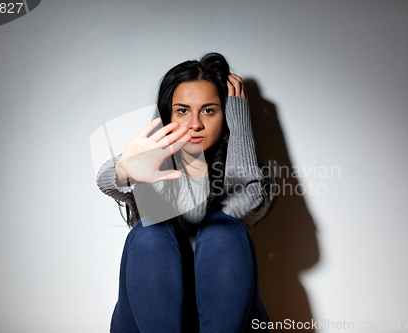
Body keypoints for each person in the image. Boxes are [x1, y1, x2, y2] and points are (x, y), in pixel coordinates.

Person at [96, 52, 275, 333]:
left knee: (222, 229)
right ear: (167, 115)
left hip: (229, 320)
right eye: (182, 110)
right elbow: (107, 180)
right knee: (149, 232)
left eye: (209, 110)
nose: (195, 124)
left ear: (226, 114)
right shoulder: (153, 163)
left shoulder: (251, 169)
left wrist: (239, 125)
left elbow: (247, 201)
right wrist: (126, 169)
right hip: (148, 320)